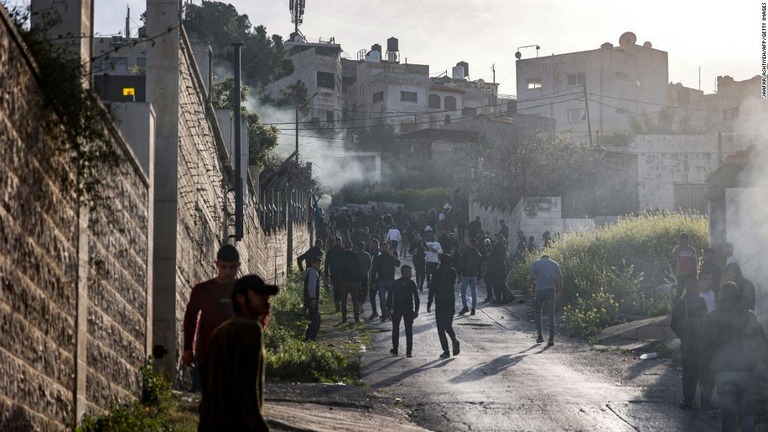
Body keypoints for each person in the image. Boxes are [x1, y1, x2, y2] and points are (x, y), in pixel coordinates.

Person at [198, 274, 279, 431]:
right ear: (241, 298)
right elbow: (245, 387)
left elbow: (208, 387)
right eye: (259, 294)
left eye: (266, 295)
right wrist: (259, 427)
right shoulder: (250, 330)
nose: (266, 299)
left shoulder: (220, 332)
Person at [701, 282, 768, 431]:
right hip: (747, 373)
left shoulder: (711, 317)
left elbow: (705, 349)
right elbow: (762, 344)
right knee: (747, 414)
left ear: (720, 295)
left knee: (728, 416)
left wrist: (706, 378)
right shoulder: (749, 315)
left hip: (723, 372)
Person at [182, 244, 240, 392]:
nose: (227, 271)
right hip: (206, 357)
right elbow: (190, 318)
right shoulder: (203, 290)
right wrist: (188, 348)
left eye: (232, 267)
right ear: (217, 265)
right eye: (224, 266)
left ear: (238, 266)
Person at [670, 277, 708, 410]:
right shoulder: (701, 302)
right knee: (703, 372)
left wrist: (684, 336)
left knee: (688, 373)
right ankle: (705, 401)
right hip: (701, 343)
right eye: (696, 286)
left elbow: (673, 324)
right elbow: (706, 323)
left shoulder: (681, 304)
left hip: (687, 344)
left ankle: (688, 400)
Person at [428, 254, 460, 359]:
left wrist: (429, 302)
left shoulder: (437, 272)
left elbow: (432, 287)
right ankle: (454, 340)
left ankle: (446, 351)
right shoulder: (452, 272)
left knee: (441, 327)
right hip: (450, 300)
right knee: (448, 325)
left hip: (440, 301)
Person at [529, 254, 563, 346]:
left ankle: (540, 336)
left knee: (538, 312)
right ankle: (551, 339)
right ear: (548, 257)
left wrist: (529, 288)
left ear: (542, 258)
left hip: (539, 290)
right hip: (551, 290)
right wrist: (559, 292)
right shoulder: (555, 264)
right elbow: (560, 279)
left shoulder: (535, 264)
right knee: (551, 314)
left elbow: (531, 278)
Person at [386, 265, 420, 357]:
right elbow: (416, 298)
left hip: (397, 309)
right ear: (405, 272)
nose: (411, 274)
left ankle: (395, 349)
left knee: (395, 329)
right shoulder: (412, 283)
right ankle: (409, 351)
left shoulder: (396, 283)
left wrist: (389, 309)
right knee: (409, 331)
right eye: (410, 272)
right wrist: (416, 310)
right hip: (408, 309)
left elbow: (389, 297)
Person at [370, 242, 401, 322]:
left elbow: (398, 264)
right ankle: (384, 315)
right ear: (381, 248)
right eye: (383, 247)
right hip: (381, 281)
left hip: (390, 281)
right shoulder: (377, 258)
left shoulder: (391, 257)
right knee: (382, 299)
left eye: (386, 247)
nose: (385, 249)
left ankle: (389, 313)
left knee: (391, 299)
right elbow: (373, 270)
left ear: (389, 248)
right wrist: (373, 282)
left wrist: (393, 256)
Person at [337, 240, 364, 323]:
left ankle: (344, 318)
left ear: (344, 246)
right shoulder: (355, 255)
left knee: (344, 300)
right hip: (354, 281)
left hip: (344, 280)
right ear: (351, 246)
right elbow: (359, 268)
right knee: (355, 300)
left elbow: (338, 268)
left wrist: (338, 279)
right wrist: (360, 280)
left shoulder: (341, 255)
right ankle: (356, 318)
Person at [457, 238, 483, 315]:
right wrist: (479, 277)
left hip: (466, 274)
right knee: (473, 292)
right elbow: (480, 267)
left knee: (463, 291)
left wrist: (459, 274)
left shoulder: (465, 253)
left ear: (470, 244)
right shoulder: (479, 255)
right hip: (474, 275)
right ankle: (473, 309)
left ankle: (465, 307)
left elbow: (461, 264)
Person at [672, 232, 697, 298]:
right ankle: (676, 305)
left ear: (687, 240)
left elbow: (694, 262)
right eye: (681, 239)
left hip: (689, 273)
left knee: (690, 291)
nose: (683, 241)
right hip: (680, 274)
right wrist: (679, 247)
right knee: (679, 291)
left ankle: (689, 305)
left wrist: (695, 274)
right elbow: (673, 255)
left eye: (685, 239)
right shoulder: (678, 249)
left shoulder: (692, 250)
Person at [303, 256, 322, 341]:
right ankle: (310, 338)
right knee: (315, 320)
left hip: (308, 299)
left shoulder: (309, 271)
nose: (319, 265)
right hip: (312, 300)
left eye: (320, 264)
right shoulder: (313, 273)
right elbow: (311, 287)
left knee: (312, 318)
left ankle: (309, 338)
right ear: (312, 263)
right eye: (317, 263)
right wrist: (313, 299)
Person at [324, 236, 344, 312]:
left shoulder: (331, 251)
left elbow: (326, 263)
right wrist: (326, 273)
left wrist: (326, 273)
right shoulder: (342, 251)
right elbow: (327, 263)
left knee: (337, 288)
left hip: (335, 272)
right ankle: (339, 302)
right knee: (339, 288)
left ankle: (338, 302)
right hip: (338, 272)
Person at [356, 241, 372, 315]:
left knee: (357, 291)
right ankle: (361, 303)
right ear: (364, 247)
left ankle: (359, 303)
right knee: (365, 291)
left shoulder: (354, 255)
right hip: (364, 276)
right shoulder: (367, 255)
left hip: (356, 276)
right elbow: (369, 266)